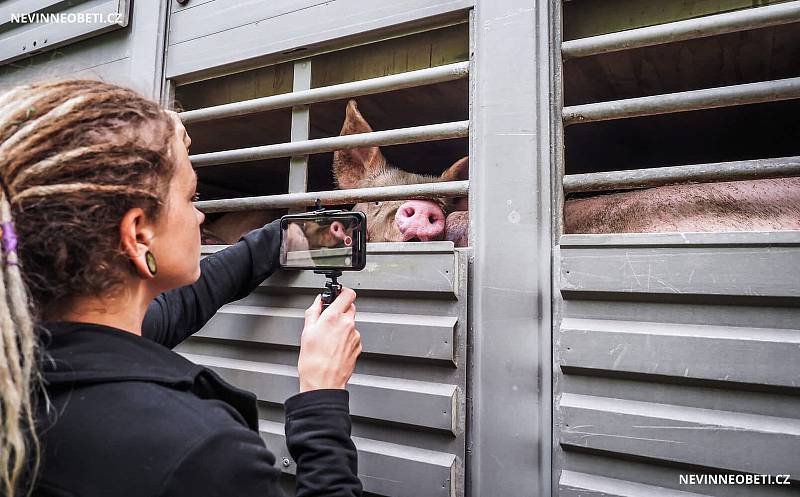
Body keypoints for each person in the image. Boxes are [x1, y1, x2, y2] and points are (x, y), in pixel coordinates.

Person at [0, 79, 363, 497]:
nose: (200, 218)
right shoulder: (201, 455)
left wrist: (294, 238)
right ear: (138, 236)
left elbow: (190, 298)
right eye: (192, 197)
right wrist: (321, 397)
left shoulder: (35, 362)